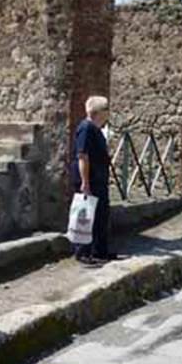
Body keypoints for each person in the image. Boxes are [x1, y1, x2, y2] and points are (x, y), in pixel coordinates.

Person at [71, 95, 114, 265]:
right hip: (91, 180)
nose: (108, 114)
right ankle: (83, 253)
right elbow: (82, 156)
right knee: (87, 216)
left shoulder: (95, 129)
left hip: (98, 179)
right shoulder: (86, 128)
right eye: (107, 110)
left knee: (101, 216)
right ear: (99, 112)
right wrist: (85, 182)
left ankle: (100, 251)